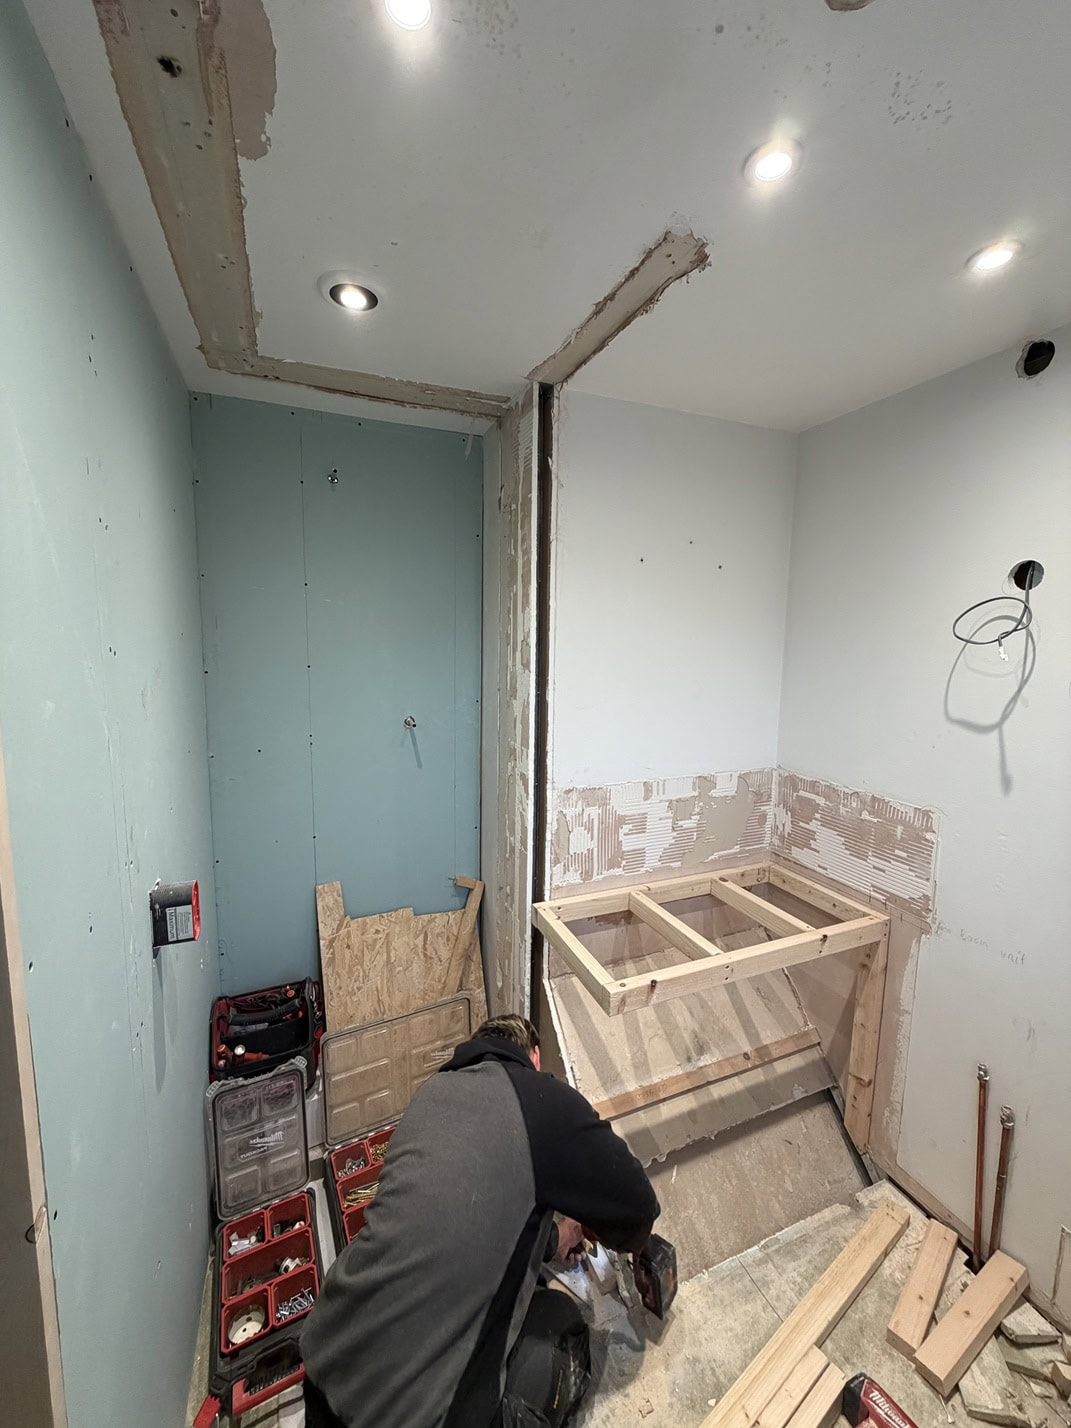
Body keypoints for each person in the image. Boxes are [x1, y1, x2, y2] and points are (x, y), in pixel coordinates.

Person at [301, 1013, 659, 1428]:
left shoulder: (433, 1094)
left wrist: (556, 1237)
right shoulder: (540, 1098)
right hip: (405, 1417)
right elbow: (637, 1211)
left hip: (325, 1366)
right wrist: (611, 1228)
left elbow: (463, 1220)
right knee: (559, 1323)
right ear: (534, 1057)